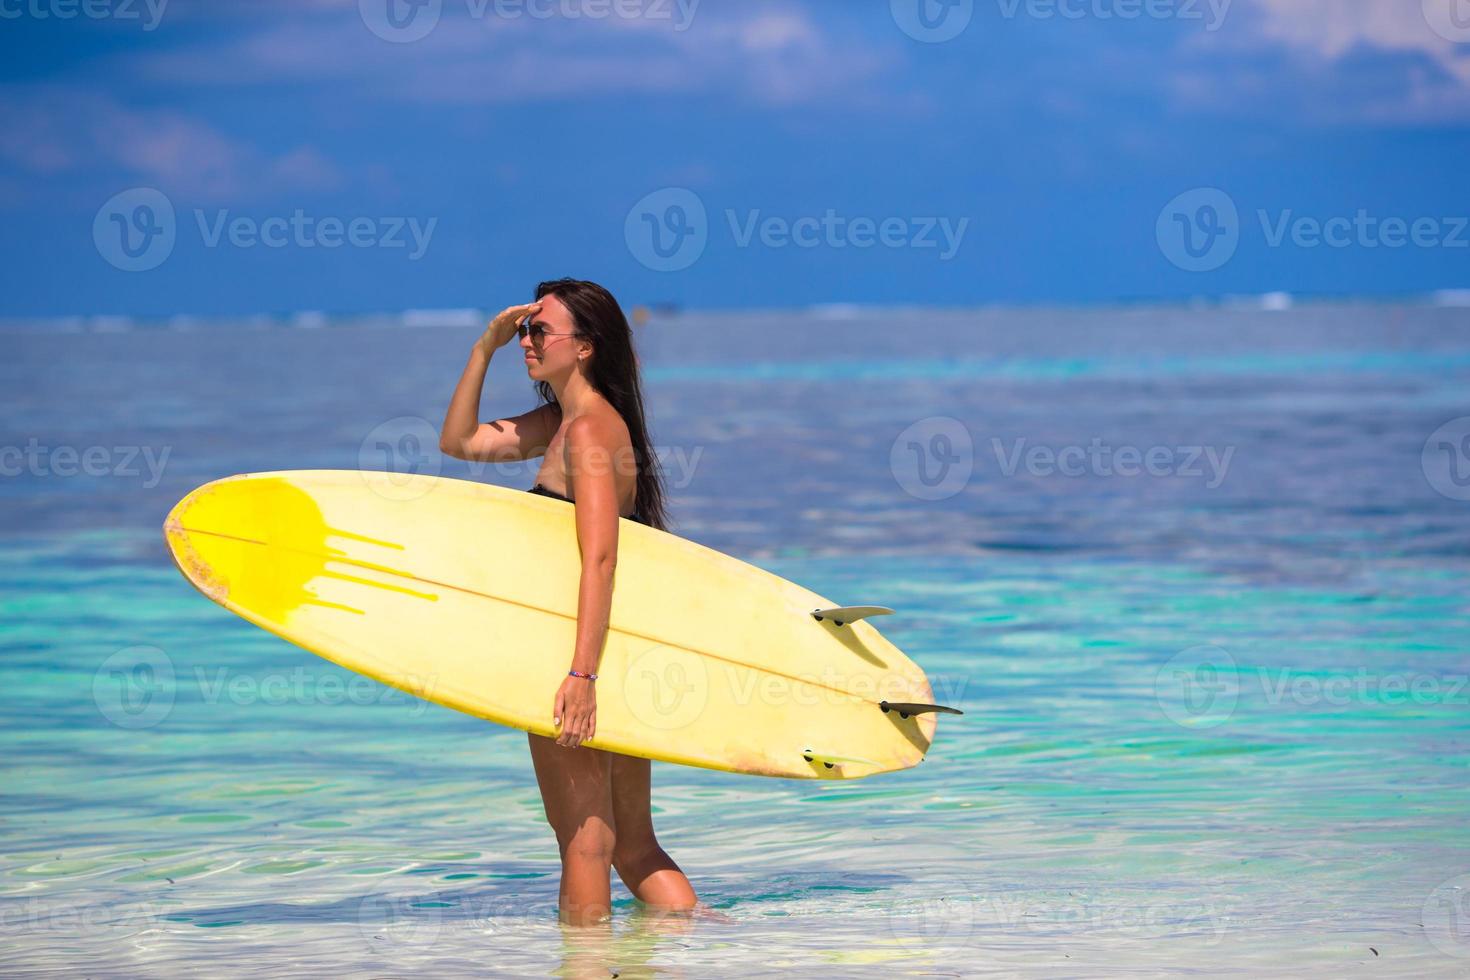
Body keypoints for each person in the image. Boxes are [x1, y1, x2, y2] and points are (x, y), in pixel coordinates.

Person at [438, 278, 697, 926]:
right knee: (633, 845)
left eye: (538, 331)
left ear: (584, 347)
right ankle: (704, 945)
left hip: (576, 655)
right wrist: (483, 348)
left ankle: (584, 968)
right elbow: (461, 442)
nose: (526, 340)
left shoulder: (586, 433)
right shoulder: (568, 423)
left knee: (584, 840)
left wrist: (580, 677)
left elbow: (600, 556)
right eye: (524, 330)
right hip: (618, 644)